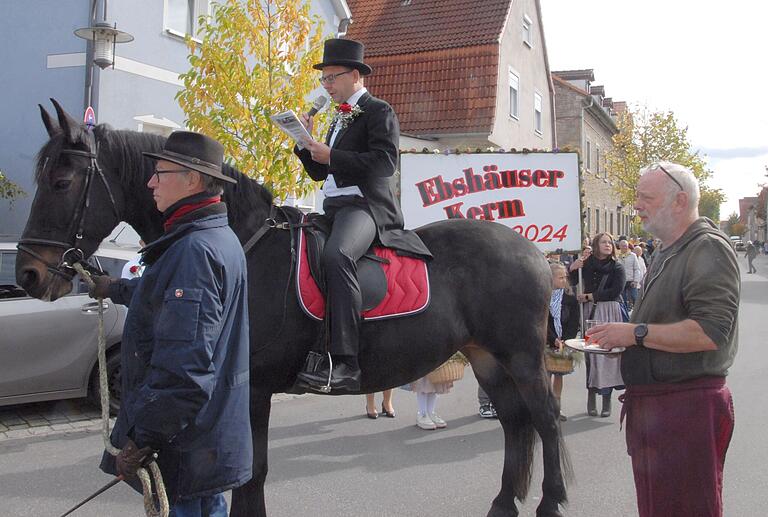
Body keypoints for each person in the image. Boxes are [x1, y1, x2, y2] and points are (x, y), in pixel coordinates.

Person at [88, 131, 252, 514]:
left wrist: (144, 438)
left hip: (185, 444)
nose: (150, 182)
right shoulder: (214, 237)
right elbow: (164, 294)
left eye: (159, 173)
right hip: (203, 438)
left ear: (192, 179)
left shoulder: (194, 250)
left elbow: (185, 369)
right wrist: (116, 287)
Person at [586, 161, 738, 517]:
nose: (636, 204)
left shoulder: (707, 248)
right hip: (661, 409)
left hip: (687, 409)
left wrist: (635, 333)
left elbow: (710, 331)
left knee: (687, 508)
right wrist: (622, 341)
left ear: (679, 201)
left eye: (645, 197)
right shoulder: (670, 248)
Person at [293, 38, 432, 393]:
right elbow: (320, 174)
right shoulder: (337, 118)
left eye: (331, 77)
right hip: (334, 207)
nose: (326, 85)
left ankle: (347, 362)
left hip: (365, 207)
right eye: (323, 79)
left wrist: (332, 156)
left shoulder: (378, 110)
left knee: (338, 255)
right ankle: (311, 345)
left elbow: (385, 163)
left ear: (354, 75)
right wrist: (305, 145)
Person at [569, 232, 625, 417]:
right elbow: (570, 283)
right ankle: (591, 395)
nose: (608, 244)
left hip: (609, 311)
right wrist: (572, 268)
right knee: (591, 356)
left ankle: (606, 399)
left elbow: (616, 290)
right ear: (595, 244)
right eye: (604, 242)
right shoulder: (586, 265)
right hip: (590, 312)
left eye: (610, 242)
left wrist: (591, 296)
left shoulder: (617, 267)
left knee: (608, 354)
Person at [545, 262, 580, 421]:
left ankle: (557, 407)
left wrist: (567, 339)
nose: (564, 280)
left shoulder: (570, 298)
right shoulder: (542, 298)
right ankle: (544, 406)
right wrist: (553, 339)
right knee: (545, 375)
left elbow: (574, 321)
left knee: (559, 374)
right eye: (560, 277)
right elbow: (542, 322)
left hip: (564, 341)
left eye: (565, 277)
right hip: (546, 341)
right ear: (550, 279)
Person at [617, 239, 642, 310]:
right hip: (621, 281)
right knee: (623, 300)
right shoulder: (617, 256)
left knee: (635, 298)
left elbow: (637, 269)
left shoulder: (633, 255)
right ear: (620, 246)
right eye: (623, 246)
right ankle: (626, 316)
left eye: (626, 246)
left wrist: (635, 281)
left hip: (631, 281)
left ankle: (639, 312)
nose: (624, 247)